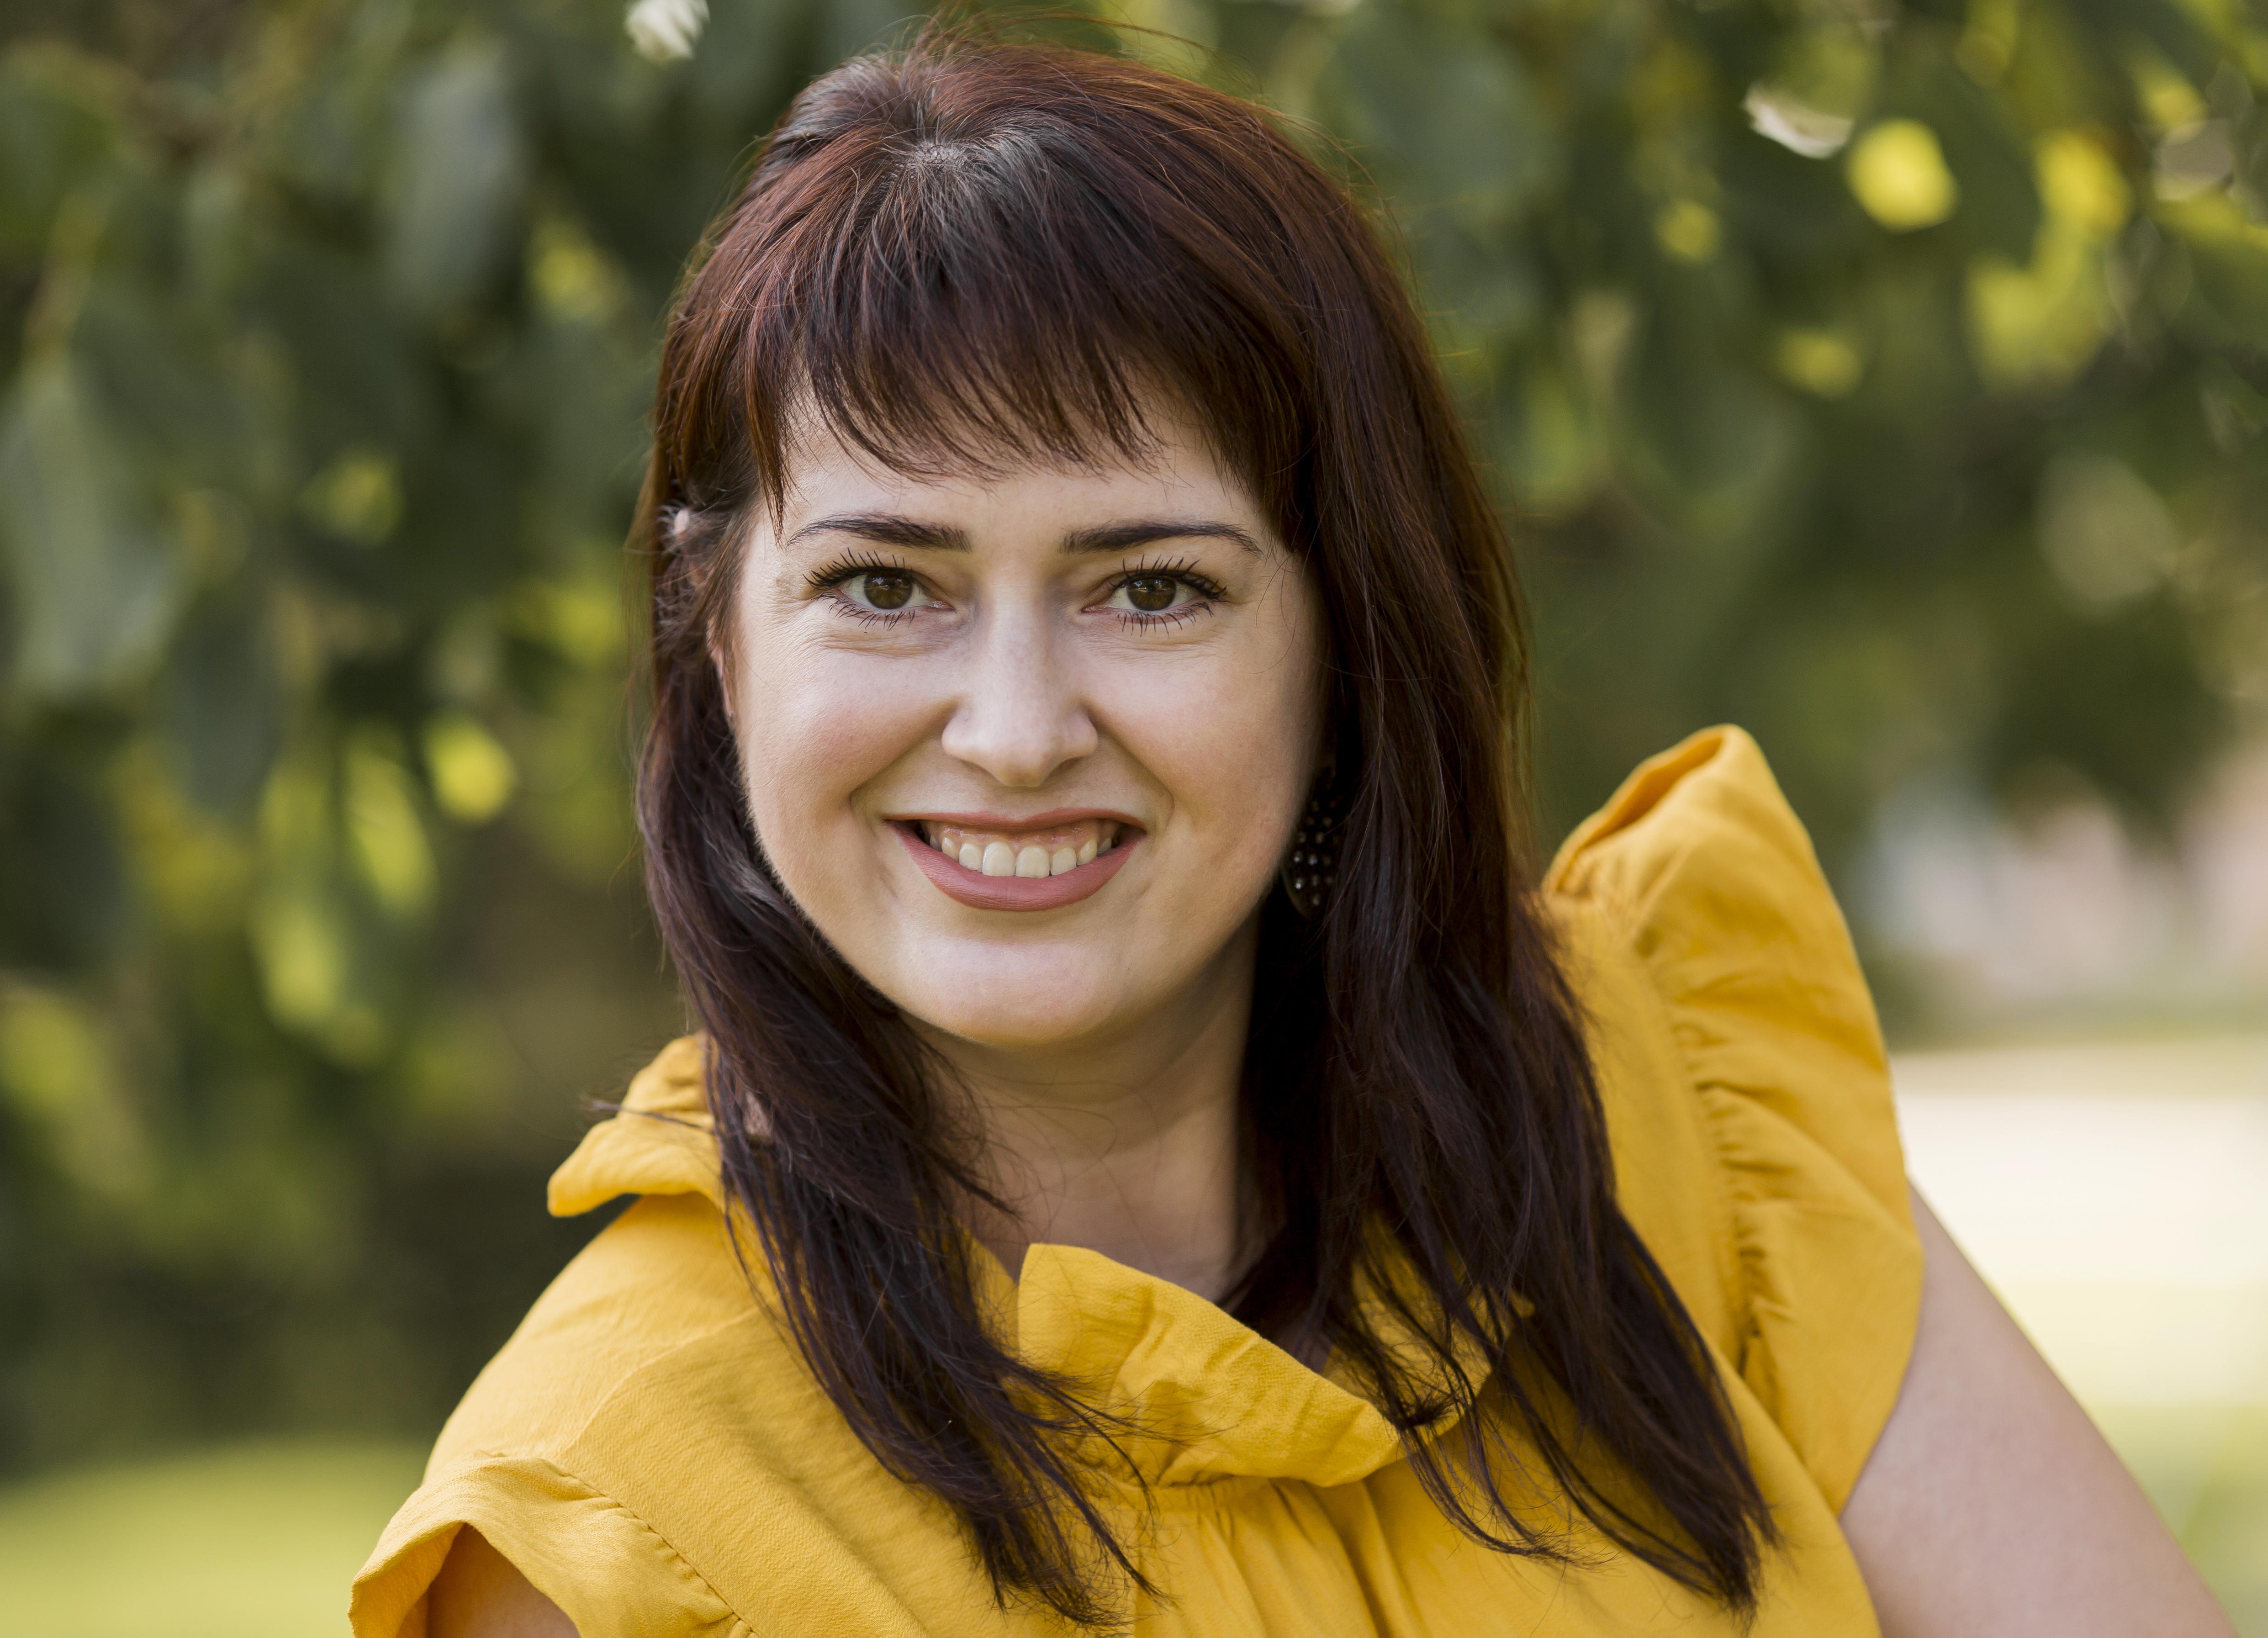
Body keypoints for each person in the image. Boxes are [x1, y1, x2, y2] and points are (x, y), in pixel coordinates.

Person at [351, 28, 2232, 1638]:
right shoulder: (618, 1516)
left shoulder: (1670, 1108)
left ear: (1343, 644)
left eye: (1152, 588)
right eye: (885, 586)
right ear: (722, 642)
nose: (1012, 733)